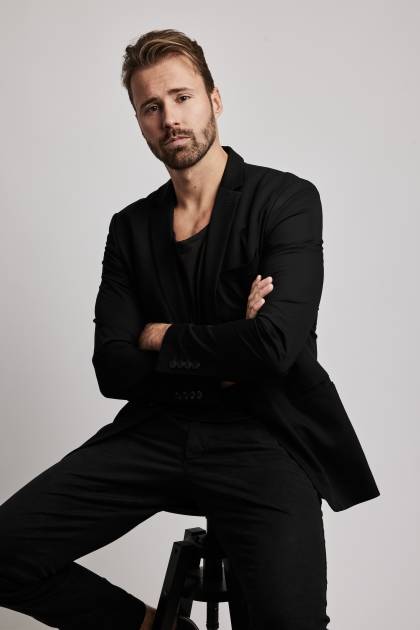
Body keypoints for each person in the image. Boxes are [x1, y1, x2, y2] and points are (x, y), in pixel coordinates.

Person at [0, 28, 380, 630]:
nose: (169, 119)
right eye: (151, 107)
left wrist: (161, 336)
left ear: (214, 100)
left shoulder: (285, 200)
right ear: (139, 121)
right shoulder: (130, 228)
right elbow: (113, 369)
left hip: (264, 434)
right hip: (160, 430)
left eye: (182, 98)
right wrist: (229, 351)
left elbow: (274, 347)